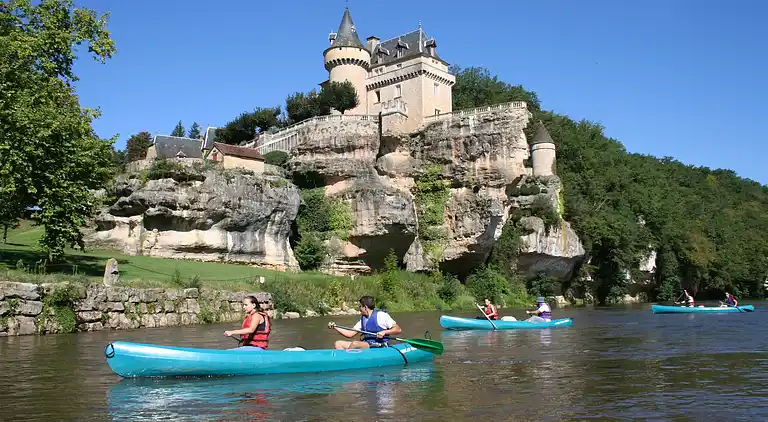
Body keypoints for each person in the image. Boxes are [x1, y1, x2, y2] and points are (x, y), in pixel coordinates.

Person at [328, 296, 401, 350]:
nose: (359, 309)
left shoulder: (381, 315)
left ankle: (346, 360)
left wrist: (384, 332)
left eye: (360, 306)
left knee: (355, 344)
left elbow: (398, 329)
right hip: (367, 344)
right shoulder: (363, 319)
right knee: (338, 343)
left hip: (380, 345)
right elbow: (350, 334)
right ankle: (343, 358)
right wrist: (335, 327)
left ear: (365, 307)